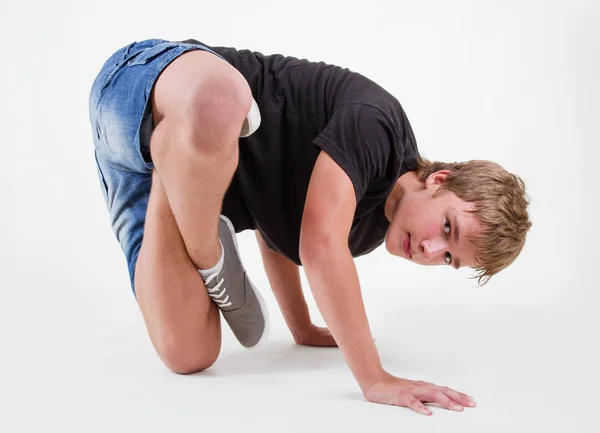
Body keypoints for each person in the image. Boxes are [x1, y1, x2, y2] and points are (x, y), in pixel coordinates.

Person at [89, 38, 531, 416]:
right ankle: (208, 251)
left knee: (188, 355)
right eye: (448, 229)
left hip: (137, 164)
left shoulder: (367, 232)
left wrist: (300, 326)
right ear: (439, 181)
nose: (432, 250)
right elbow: (318, 247)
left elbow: (281, 236)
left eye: (449, 259)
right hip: (149, 85)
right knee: (224, 98)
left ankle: (172, 167)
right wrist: (374, 379)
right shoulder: (379, 126)